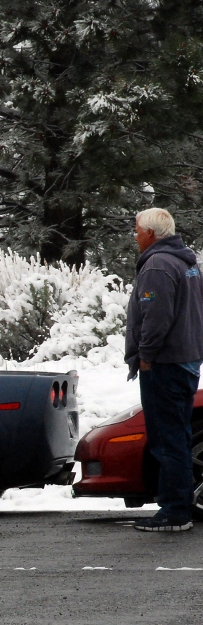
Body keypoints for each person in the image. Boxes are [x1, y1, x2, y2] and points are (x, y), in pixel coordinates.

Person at [125, 207, 203, 532]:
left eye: (137, 230)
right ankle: (178, 506)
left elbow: (155, 317)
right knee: (178, 436)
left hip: (165, 364)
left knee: (167, 439)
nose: (135, 235)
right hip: (186, 360)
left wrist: (145, 356)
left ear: (152, 234)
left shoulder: (157, 265)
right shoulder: (188, 264)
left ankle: (174, 512)